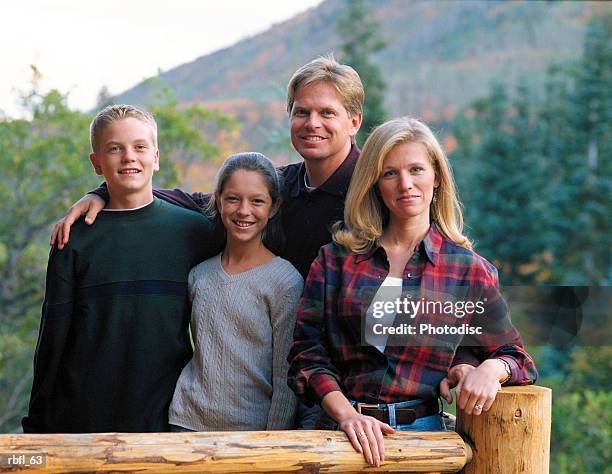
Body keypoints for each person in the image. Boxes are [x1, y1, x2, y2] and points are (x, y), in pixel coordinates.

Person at [287, 117, 538, 466]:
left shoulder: (468, 270)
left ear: (436, 176)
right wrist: (347, 416)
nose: (405, 184)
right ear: (375, 183)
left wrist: (491, 369)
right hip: (337, 435)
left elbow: (518, 358)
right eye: (390, 173)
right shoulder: (335, 261)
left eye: (416, 169)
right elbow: (306, 354)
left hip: (423, 442)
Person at [49, 55, 363, 280]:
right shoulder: (278, 187)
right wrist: (105, 192)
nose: (312, 124)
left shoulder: (374, 188)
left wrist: (385, 361)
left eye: (327, 113)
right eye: (302, 112)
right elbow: (197, 202)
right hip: (291, 360)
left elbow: (405, 269)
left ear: (354, 121)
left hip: (363, 363)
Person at [22, 105, 218, 433]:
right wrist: (38, 422)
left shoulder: (195, 232)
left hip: (168, 419)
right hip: (81, 421)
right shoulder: (73, 238)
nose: (129, 157)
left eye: (140, 147)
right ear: (97, 163)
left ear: (156, 157)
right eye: (115, 148)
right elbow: (53, 337)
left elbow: (245, 201)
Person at [168, 152, 303, 431]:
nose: (244, 210)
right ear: (218, 201)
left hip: (250, 432)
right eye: (233, 198)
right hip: (185, 422)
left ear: (274, 207)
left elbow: (285, 377)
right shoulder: (199, 275)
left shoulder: (285, 280)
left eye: (257, 201)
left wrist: (274, 443)